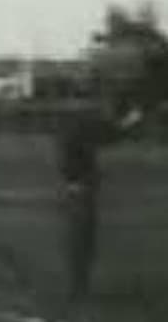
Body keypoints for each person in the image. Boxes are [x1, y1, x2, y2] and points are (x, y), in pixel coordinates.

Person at [58, 101, 142, 302]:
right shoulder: (78, 134)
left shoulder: (72, 133)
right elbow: (108, 135)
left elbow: (105, 136)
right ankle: (78, 288)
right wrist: (129, 122)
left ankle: (79, 286)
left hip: (79, 190)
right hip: (81, 192)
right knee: (82, 239)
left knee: (83, 239)